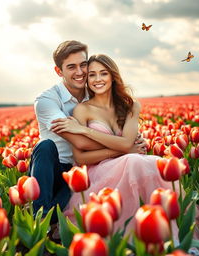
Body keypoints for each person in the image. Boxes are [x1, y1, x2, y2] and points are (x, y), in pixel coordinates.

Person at [50, 54, 174, 232]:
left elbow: (126, 144)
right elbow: (81, 158)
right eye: (92, 75)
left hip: (131, 164)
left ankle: (157, 231)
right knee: (134, 160)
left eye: (103, 73)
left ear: (113, 76)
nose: (97, 79)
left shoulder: (130, 106)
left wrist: (85, 130)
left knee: (144, 162)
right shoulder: (82, 109)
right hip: (98, 172)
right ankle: (128, 235)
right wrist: (124, 150)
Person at [29, 41, 145, 224]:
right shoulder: (46, 101)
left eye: (83, 65)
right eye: (71, 67)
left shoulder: (95, 91)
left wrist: (128, 140)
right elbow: (81, 142)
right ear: (59, 71)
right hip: (54, 168)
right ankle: (39, 216)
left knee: (62, 210)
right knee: (45, 146)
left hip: (84, 168)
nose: (80, 72)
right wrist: (125, 144)